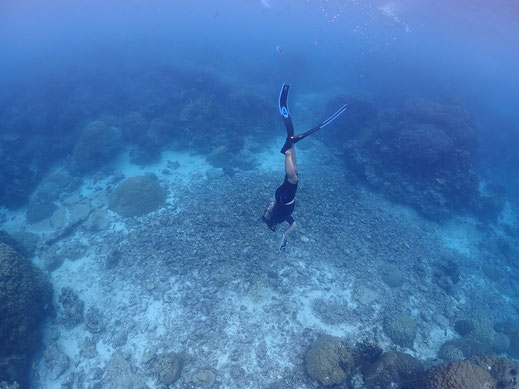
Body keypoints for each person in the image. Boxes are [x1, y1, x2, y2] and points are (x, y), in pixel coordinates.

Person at [263, 84, 347, 251]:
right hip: (283, 195)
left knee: (293, 177)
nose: (267, 207)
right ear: (272, 214)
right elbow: (295, 225)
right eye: (267, 210)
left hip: (285, 196)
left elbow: (292, 223)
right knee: (294, 173)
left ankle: (288, 149)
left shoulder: (283, 212)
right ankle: (290, 144)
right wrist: (284, 236)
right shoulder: (284, 216)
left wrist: (284, 233)